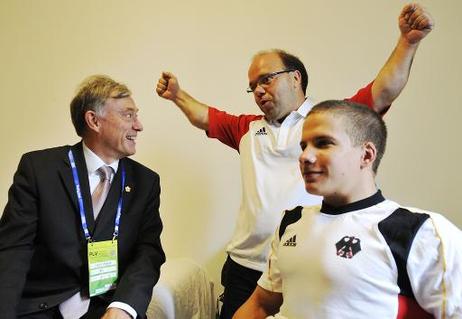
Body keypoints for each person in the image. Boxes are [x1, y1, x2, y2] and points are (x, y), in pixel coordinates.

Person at [156, 3, 433, 318]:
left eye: (266, 79)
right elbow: (204, 117)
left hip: (306, 262)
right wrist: (178, 94)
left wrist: (407, 42)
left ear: (296, 77)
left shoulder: (329, 120)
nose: (258, 90)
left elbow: (382, 92)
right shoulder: (246, 128)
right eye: (253, 86)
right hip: (245, 268)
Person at [234, 100, 462, 319]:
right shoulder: (291, 222)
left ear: (366, 155)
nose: (304, 156)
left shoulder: (420, 230)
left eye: (323, 143)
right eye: (304, 146)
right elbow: (260, 304)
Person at [0, 75, 165, 319]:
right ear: (94, 121)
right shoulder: (39, 169)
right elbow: (14, 250)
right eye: (128, 115)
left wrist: (124, 307)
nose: (138, 125)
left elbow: (148, 253)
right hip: (42, 308)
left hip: (108, 306)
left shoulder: (145, 182)